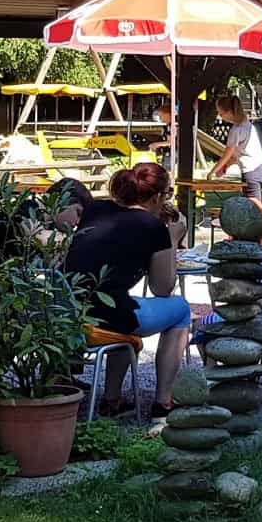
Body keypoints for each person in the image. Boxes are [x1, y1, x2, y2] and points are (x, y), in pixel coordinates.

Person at [64, 163, 194, 417]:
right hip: (107, 317)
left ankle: (113, 400)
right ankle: (163, 401)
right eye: (166, 194)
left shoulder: (95, 209)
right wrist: (172, 238)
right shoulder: (152, 227)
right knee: (180, 309)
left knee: (124, 305)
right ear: (158, 196)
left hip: (72, 311)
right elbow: (162, 288)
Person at [210, 94, 262, 195]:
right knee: (252, 205)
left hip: (250, 173)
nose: (220, 117)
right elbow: (239, 155)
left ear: (229, 112)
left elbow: (228, 153)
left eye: (221, 113)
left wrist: (213, 171)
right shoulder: (248, 125)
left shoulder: (236, 130)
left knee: (252, 206)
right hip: (259, 169)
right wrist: (225, 166)